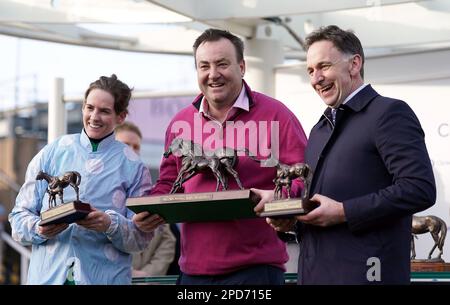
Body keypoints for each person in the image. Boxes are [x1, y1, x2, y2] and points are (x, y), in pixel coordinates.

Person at [254, 25, 436, 284]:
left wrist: (344, 211)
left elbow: (420, 188)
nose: (316, 78)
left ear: (354, 64)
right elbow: (319, 207)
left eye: (324, 66)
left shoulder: (389, 113)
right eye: (310, 71)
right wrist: (290, 218)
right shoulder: (319, 129)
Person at [136, 28, 307, 285]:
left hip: (256, 271)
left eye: (222, 64)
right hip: (193, 273)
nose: (213, 74)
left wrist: (282, 198)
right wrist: (150, 208)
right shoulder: (180, 123)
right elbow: (169, 183)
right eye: (204, 66)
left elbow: (305, 176)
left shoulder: (277, 115)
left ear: (242, 67)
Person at [9, 74, 163, 284]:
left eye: (104, 111)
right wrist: (39, 228)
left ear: (121, 116)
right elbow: (18, 218)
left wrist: (110, 225)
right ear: (82, 107)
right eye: (90, 108)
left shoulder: (134, 167)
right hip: (47, 277)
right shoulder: (52, 152)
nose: (94, 116)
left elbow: (141, 238)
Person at [114, 122, 177, 277]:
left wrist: (147, 274)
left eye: (136, 147)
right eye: (126, 145)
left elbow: (167, 240)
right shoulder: (98, 190)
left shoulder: (150, 191)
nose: (132, 150)